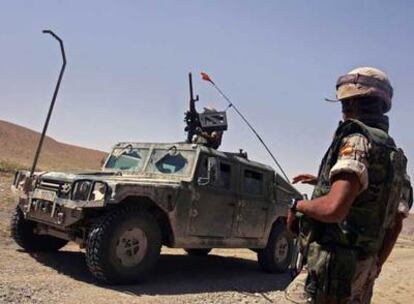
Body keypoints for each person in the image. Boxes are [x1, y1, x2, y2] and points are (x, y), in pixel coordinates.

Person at [285, 67, 413, 304]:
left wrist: (298, 204)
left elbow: (334, 209)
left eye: (345, 105)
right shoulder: (394, 157)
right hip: (363, 268)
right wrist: (373, 265)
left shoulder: (356, 141)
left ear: (352, 103)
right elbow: (394, 221)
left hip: (332, 272)